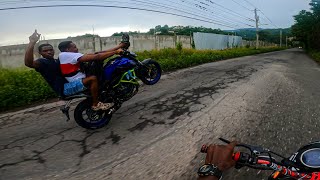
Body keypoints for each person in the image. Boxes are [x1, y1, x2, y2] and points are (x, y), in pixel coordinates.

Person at [58, 40, 126, 111]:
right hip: (77, 80)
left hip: (80, 76)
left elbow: (97, 53)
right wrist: (116, 52)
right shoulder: (66, 55)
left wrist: (119, 46)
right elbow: (97, 57)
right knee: (93, 78)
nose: (77, 48)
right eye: (74, 47)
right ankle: (95, 104)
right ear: (67, 49)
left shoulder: (66, 55)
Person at [24, 30, 68, 97]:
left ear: (54, 50)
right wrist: (32, 43)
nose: (49, 52)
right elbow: (28, 63)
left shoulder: (57, 61)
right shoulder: (42, 62)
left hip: (69, 84)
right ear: (40, 53)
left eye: (51, 50)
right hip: (64, 89)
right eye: (45, 51)